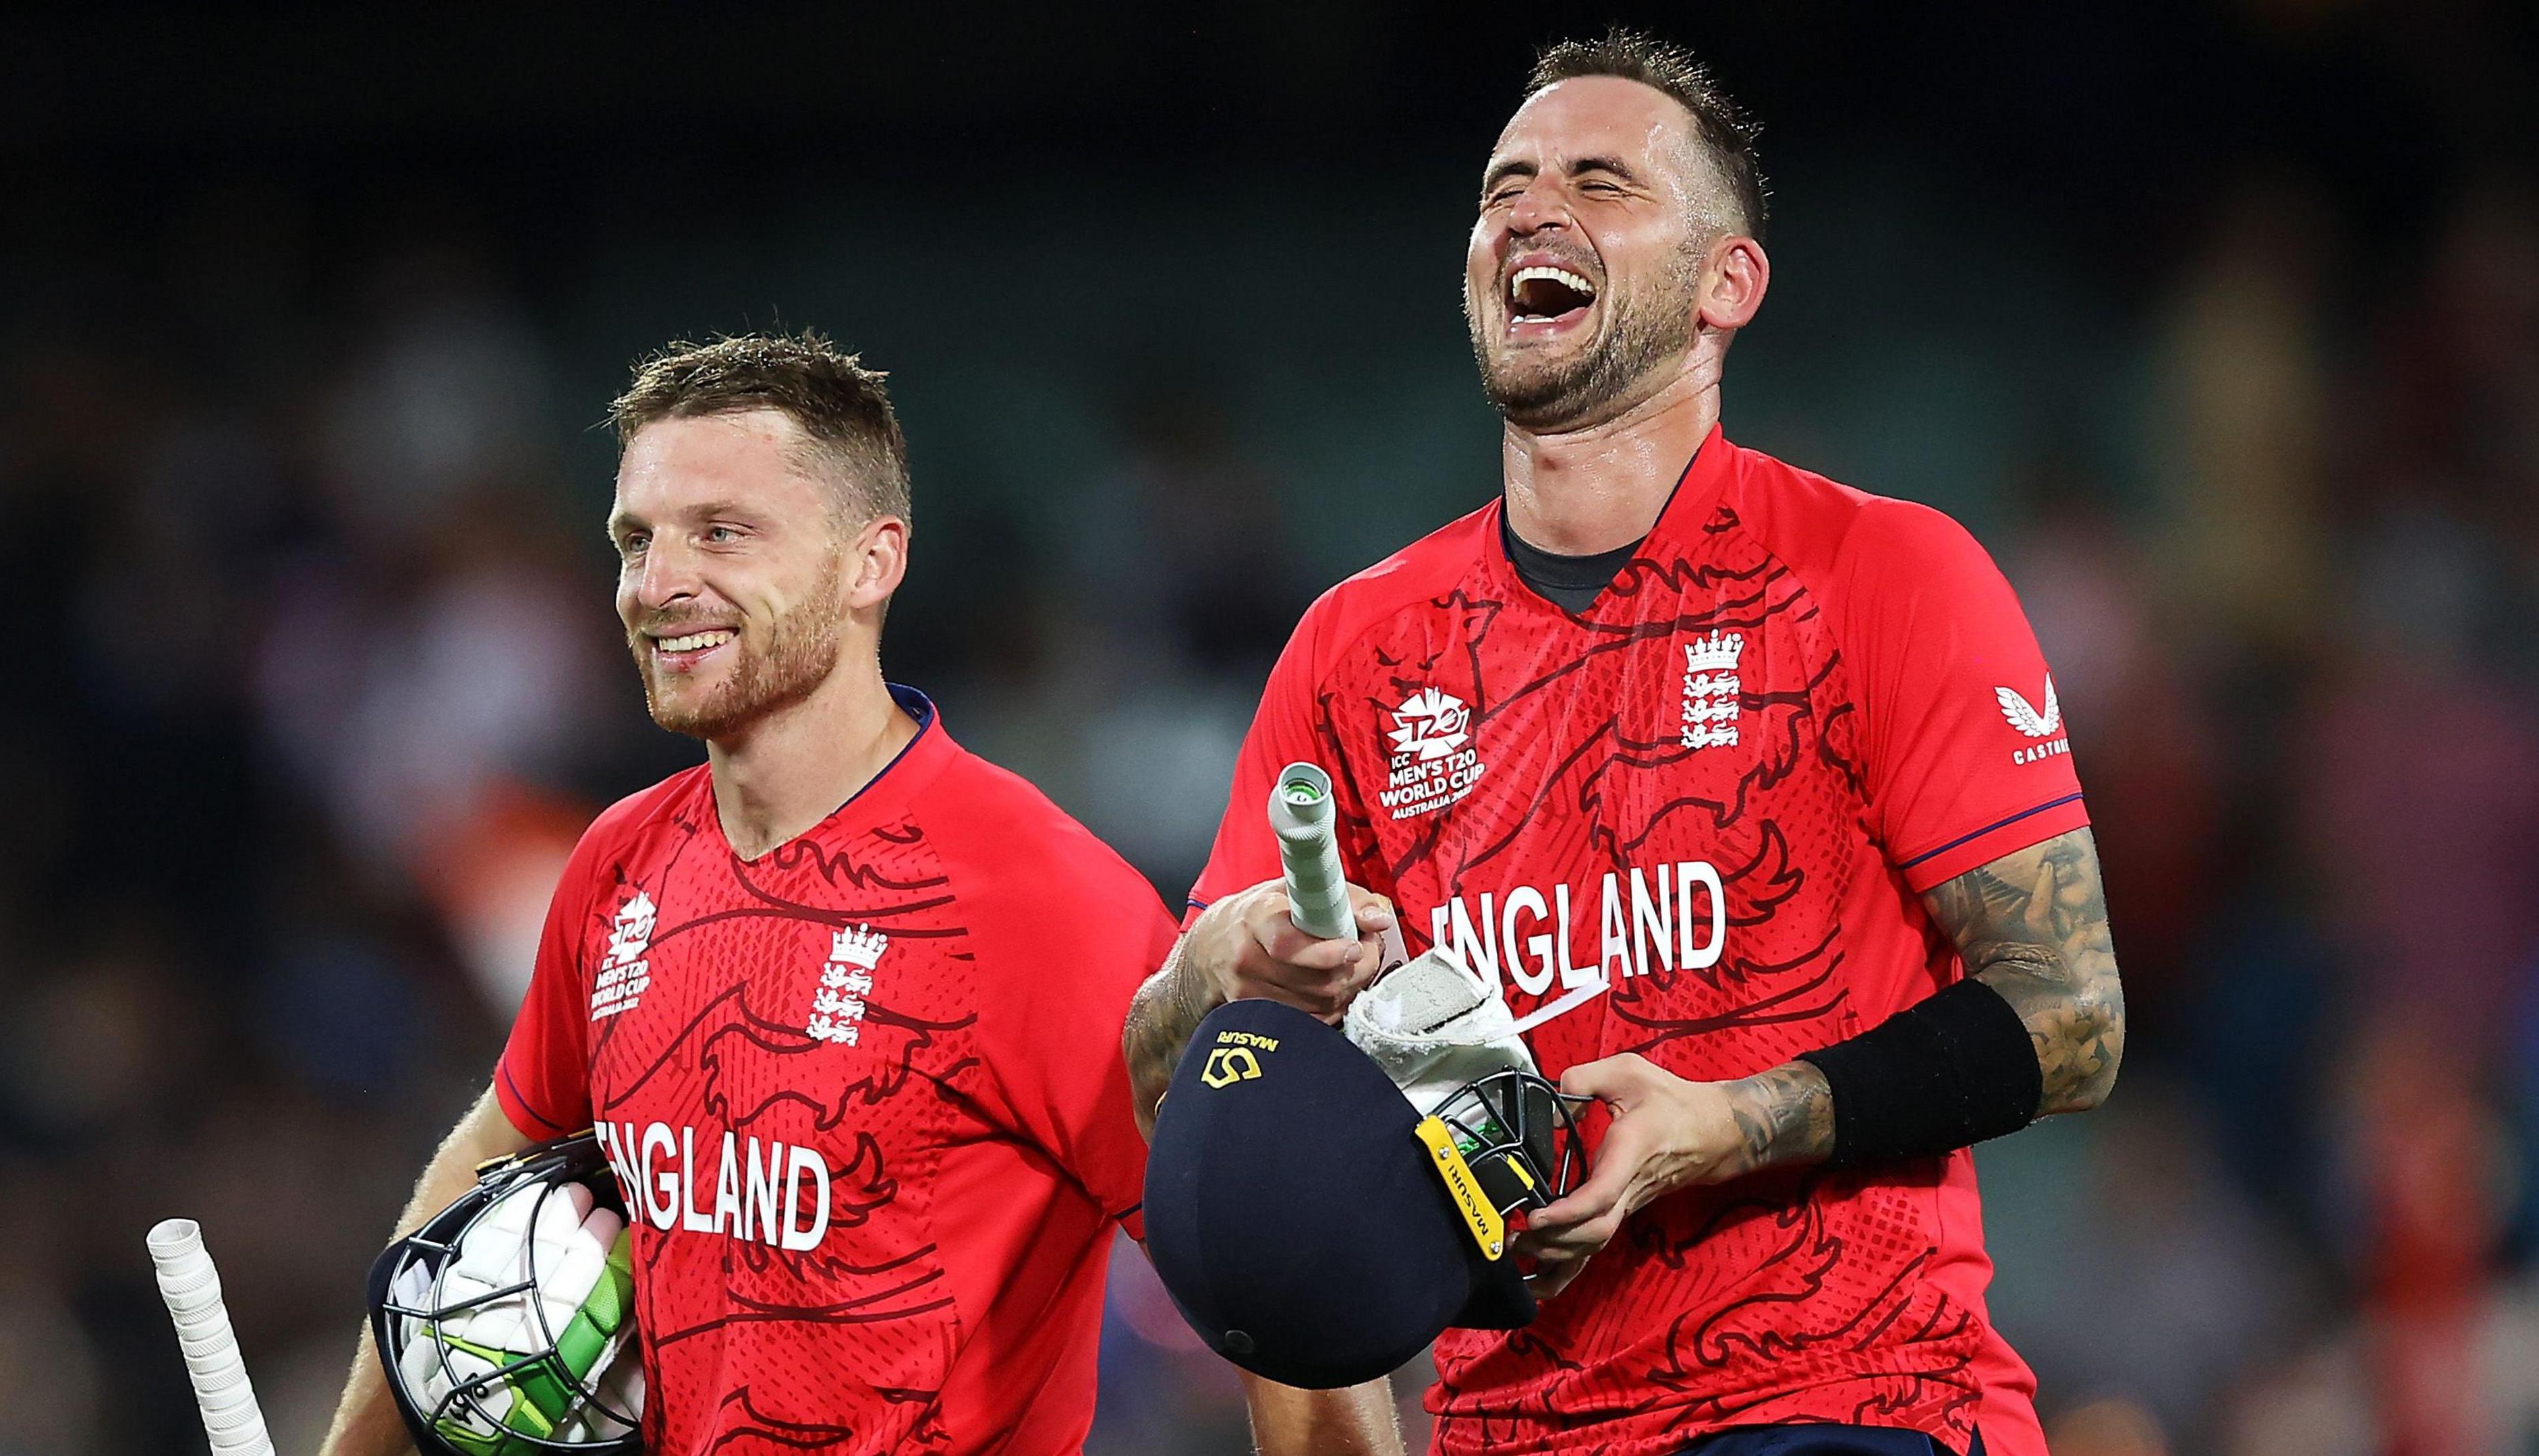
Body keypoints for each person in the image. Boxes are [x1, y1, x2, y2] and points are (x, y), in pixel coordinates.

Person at [1126, 30, 2125, 1456]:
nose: (1534, 211)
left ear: (1729, 284)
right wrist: (1219, 967)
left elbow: (2073, 1014)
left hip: (1848, 1402)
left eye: (1602, 182)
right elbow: (1193, 1102)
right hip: (1513, 1428)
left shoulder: (1881, 574)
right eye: (1505, 185)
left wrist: (1729, 1125)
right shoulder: (1355, 651)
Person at [319, 332, 1382, 1455]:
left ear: (872, 563)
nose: (658, 584)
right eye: (637, 539)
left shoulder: (1037, 902)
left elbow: (1275, 1276)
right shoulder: (618, 861)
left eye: (723, 533)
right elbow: (497, 1146)